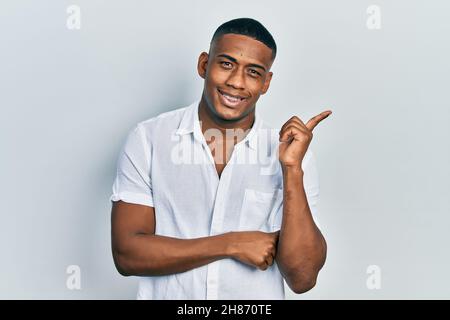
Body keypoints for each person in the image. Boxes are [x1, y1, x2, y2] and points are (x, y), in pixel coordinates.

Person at [110, 17, 331, 299]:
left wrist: (291, 170)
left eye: (253, 72)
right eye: (226, 64)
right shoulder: (149, 139)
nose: (236, 82)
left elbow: (303, 277)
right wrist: (232, 244)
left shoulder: (292, 156)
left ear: (266, 83)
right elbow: (127, 255)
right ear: (204, 64)